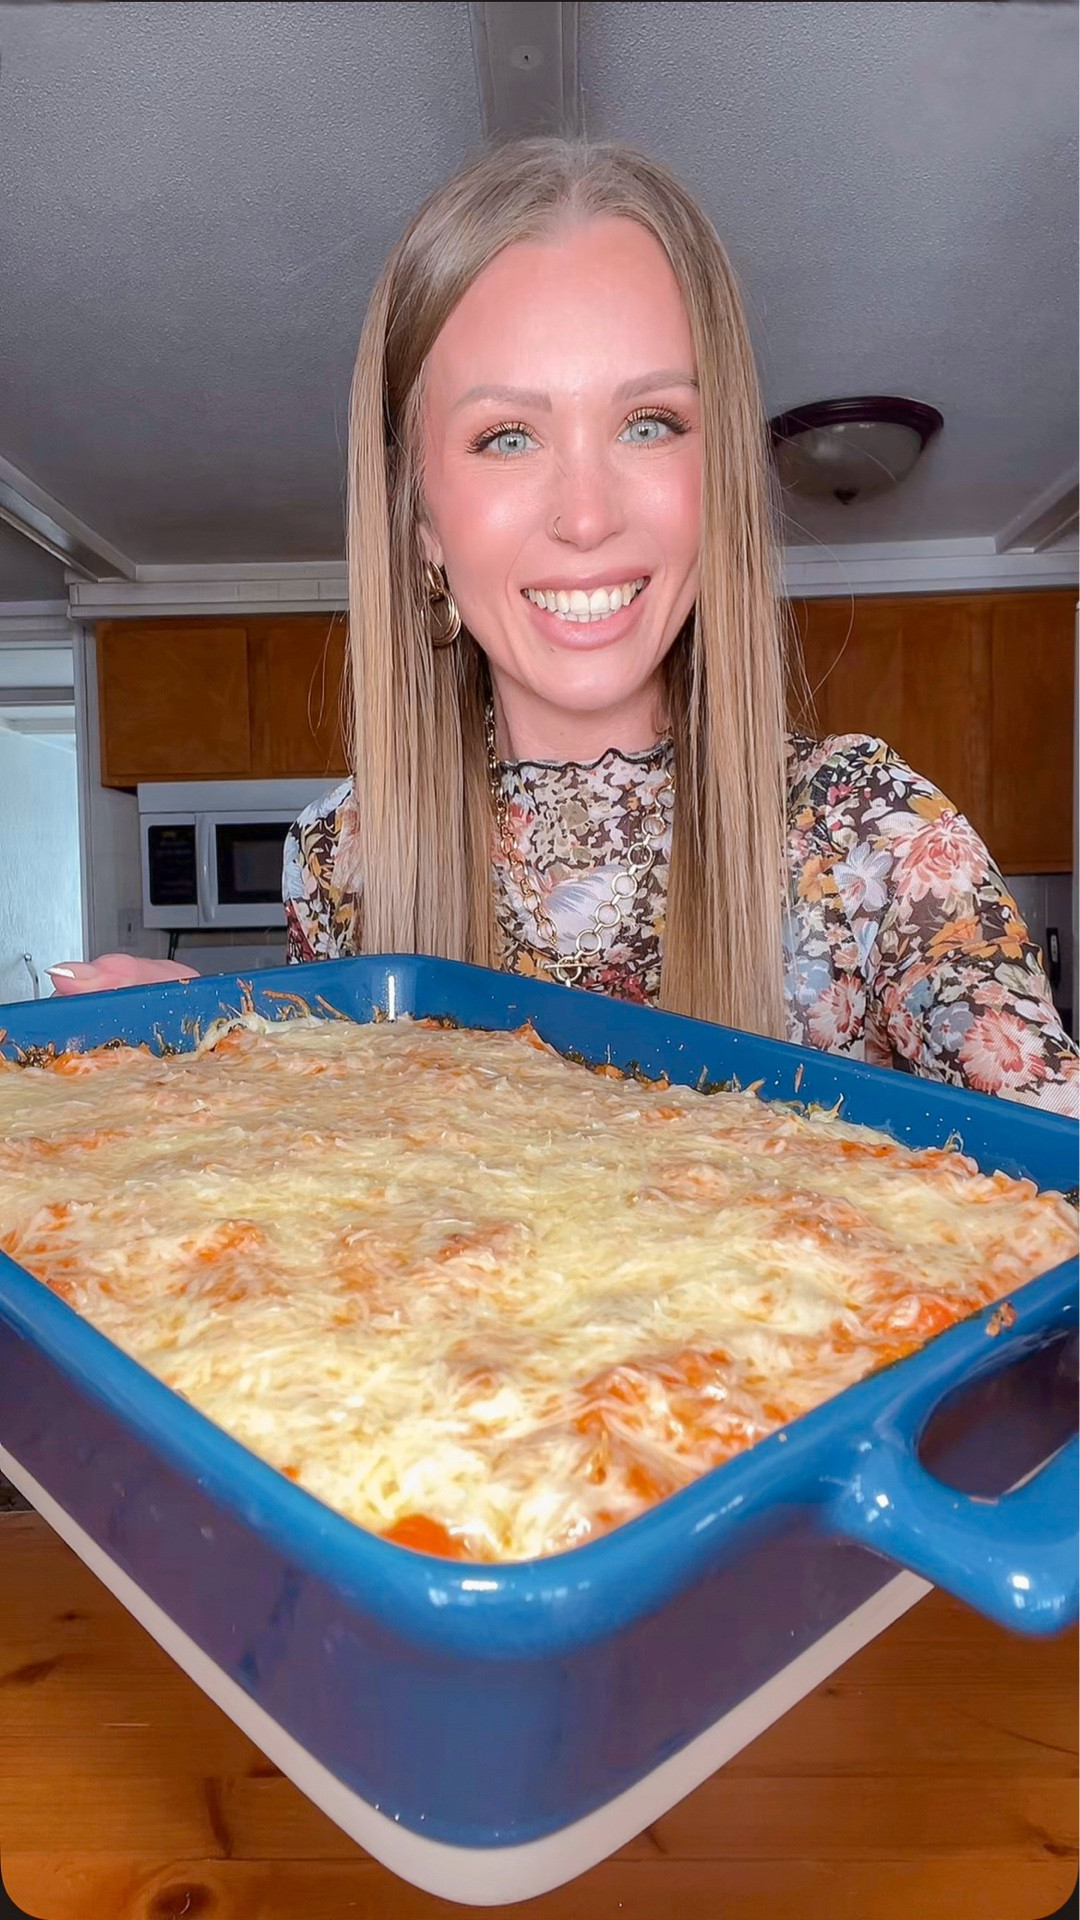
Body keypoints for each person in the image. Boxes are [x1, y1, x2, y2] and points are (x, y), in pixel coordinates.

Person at [51, 138, 1078, 1117]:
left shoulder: (878, 844)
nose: (587, 516)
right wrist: (236, 1082)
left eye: (649, 424)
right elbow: (376, 1201)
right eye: (506, 436)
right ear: (420, 523)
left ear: (715, 476)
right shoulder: (340, 861)